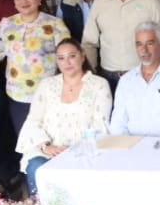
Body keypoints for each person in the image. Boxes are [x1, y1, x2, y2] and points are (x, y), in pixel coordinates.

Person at [15, 39, 112, 196]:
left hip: (84, 151)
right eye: (61, 58)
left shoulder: (99, 84)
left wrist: (75, 149)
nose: (67, 62)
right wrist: (46, 146)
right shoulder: (47, 85)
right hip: (48, 151)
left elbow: (101, 123)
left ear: (82, 56)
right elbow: (33, 119)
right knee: (37, 168)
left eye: (72, 56)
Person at [0, 0, 72, 136]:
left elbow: (67, 56)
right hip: (18, 94)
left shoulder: (54, 24)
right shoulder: (7, 24)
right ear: (14, 2)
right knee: (25, 140)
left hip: (49, 93)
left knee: (51, 137)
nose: (24, 1)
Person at [109, 22, 160, 137]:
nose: (144, 50)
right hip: (131, 145)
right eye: (139, 44)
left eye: (150, 43)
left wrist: (151, 143)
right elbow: (117, 124)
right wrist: (130, 144)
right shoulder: (126, 81)